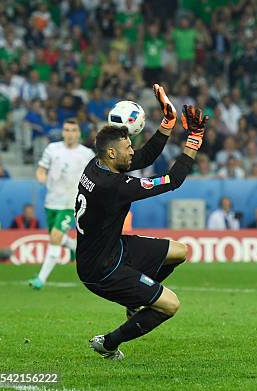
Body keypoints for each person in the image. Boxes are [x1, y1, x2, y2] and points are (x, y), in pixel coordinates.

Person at [79, 84, 207, 360]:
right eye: (128, 148)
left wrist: (168, 123)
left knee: (179, 252)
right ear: (113, 154)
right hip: (101, 269)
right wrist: (194, 138)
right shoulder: (116, 186)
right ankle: (109, 343)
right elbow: (173, 180)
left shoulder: (97, 164)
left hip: (113, 248)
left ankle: (135, 300)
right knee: (170, 305)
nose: (132, 152)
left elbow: (145, 156)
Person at [28, 119, 94, 290]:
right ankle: (74, 246)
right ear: (62, 132)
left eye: (73, 130)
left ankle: (40, 280)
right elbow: (41, 168)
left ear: (79, 133)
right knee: (55, 237)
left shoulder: (86, 154)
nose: (70, 133)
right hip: (51, 201)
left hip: (71, 203)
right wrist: (41, 176)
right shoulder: (52, 149)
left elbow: (94, 176)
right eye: (66, 129)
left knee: (55, 237)